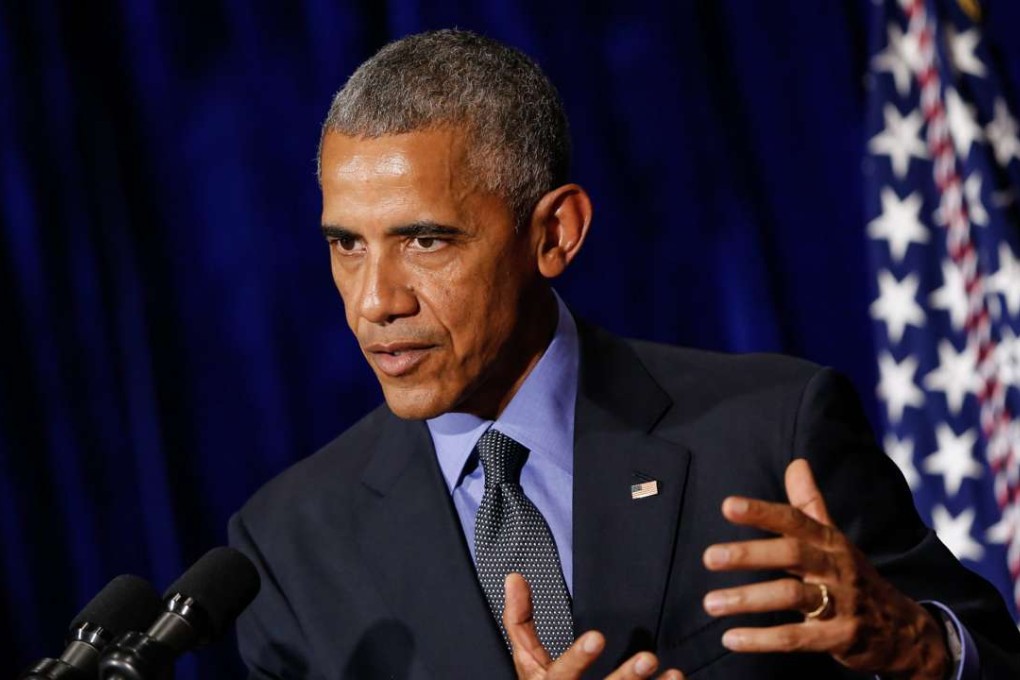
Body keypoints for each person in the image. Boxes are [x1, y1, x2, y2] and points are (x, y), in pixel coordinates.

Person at [228, 29, 1020, 679]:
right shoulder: (289, 550)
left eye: (425, 241)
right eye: (346, 246)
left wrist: (915, 646)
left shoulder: (771, 432)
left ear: (554, 235)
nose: (375, 302)